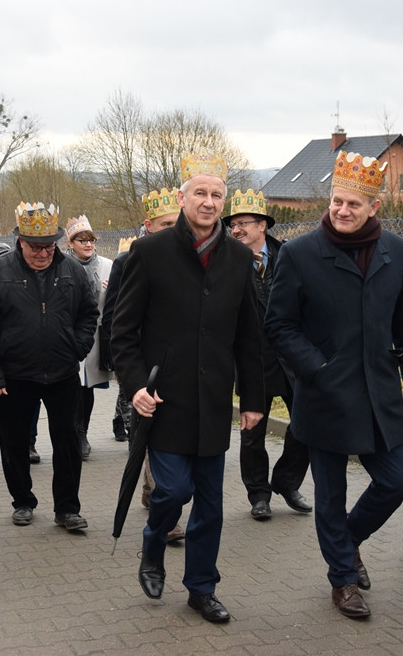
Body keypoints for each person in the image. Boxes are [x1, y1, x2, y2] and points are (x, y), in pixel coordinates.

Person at [265, 151, 403, 620]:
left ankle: (349, 539)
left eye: (353, 205)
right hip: (325, 396)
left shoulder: (393, 250)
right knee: (330, 494)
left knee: (397, 479)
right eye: (338, 201)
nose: (342, 211)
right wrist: (316, 368)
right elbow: (278, 325)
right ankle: (342, 579)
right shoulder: (299, 254)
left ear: (373, 207)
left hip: (379, 394)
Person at [112, 151, 264, 624]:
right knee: (173, 491)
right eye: (200, 192)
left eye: (217, 195)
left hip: (214, 400)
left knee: (212, 506)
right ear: (182, 198)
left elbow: (250, 336)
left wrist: (254, 399)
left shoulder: (239, 259)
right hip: (165, 401)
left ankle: (201, 587)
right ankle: (153, 542)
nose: (209, 201)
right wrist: (135, 384)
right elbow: (123, 330)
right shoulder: (150, 253)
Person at [0, 202, 98, 531]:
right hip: (14, 375)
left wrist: (78, 347)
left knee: (68, 442)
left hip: (63, 372)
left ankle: (68, 508)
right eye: (35, 247)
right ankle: (23, 500)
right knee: (14, 443)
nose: (42, 254)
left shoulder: (72, 271)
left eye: (48, 246)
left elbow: (89, 314)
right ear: (20, 241)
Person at [100, 190, 185, 545]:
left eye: (175, 223)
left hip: (179, 363)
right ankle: (157, 495)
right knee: (149, 428)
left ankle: (156, 491)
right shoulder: (130, 259)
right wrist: (119, 362)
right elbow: (117, 317)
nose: (172, 229)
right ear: (149, 226)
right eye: (165, 224)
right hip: (142, 365)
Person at [224, 189, 312, 520]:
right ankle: (258, 494)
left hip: (291, 360)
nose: (236, 230)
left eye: (243, 223)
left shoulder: (291, 256)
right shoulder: (227, 262)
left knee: (305, 424)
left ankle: (287, 482)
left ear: (262, 225)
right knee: (252, 433)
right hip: (252, 361)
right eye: (232, 224)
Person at [64, 215, 113, 461]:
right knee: (71, 386)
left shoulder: (107, 265)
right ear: (70, 243)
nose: (88, 244)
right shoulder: (61, 264)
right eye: (81, 240)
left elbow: (116, 300)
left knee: (87, 387)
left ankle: (82, 433)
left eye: (91, 240)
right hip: (67, 335)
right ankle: (71, 433)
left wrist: (111, 289)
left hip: (95, 336)